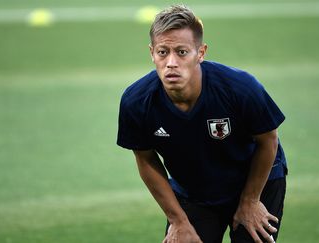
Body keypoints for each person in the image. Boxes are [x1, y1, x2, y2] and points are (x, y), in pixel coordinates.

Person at [117, 5, 288, 243]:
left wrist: (250, 201)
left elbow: (268, 139)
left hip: (255, 181)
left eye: (182, 52)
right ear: (151, 53)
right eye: (163, 52)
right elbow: (145, 159)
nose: (171, 63)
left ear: (201, 52)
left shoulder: (240, 88)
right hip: (195, 192)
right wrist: (178, 220)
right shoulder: (136, 102)